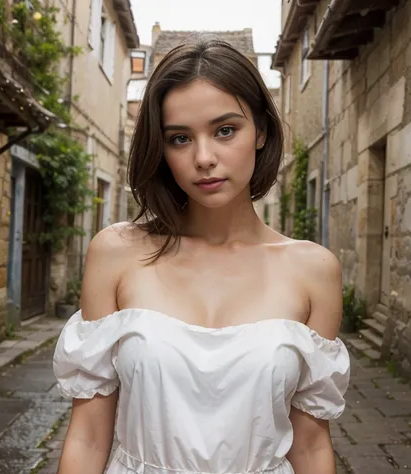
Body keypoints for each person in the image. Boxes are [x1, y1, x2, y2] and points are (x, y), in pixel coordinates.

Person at [53, 34, 350, 474]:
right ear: (162, 149)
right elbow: (89, 435)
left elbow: (309, 445)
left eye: (225, 130)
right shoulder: (116, 253)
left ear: (262, 131)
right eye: (179, 138)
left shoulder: (313, 270)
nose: (204, 157)